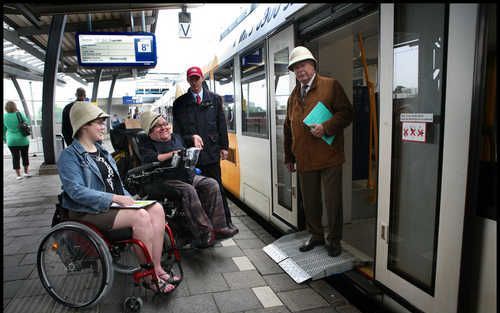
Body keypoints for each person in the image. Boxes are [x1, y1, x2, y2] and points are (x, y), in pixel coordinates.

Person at [57, 101, 179, 293]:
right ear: (83, 125)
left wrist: (132, 200)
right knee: (141, 217)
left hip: (112, 206)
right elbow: (76, 191)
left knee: (156, 208)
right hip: (87, 211)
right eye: (98, 122)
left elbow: (118, 185)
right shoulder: (69, 156)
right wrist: (115, 198)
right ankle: (148, 276)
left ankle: (157, 268)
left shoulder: (102, 151)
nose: (103, 126)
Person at [284, 46, 354, 257]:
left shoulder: (330, 86)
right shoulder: (293, 96)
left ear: (313, 65)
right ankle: (316, 235)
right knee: (310, 202)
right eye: (296, 68)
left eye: (303, 65)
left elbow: (347, 113)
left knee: (333, 201)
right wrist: (289, 156)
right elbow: (287, 127)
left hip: (329, 156)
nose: (300, 70)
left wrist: (326, 127)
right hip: (304, 158)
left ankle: (334, 239)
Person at [139, 111, 237, 248]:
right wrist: (173, 154)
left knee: (211, 184)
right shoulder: (146, 143)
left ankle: (219, 227)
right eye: (158, 126)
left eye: (165, 124)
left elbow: (188, 138)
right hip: (165, 179)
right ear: (150, 131)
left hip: (186, 175)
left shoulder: (176, 137)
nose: (164, 128)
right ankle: (203, 233)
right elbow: (151, 158)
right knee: (188, 190)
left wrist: (194, 138)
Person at [172, 66, 238, 232]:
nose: (194, 82)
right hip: (191, 157)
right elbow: (177, 134)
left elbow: (221, 125)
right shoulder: (179, 104)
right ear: (188, 80)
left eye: (197, 78)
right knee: (197, 191)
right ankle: (204, 228)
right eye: (191, 79)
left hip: (211, 153)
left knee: (218, 187)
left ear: (202, 79)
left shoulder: (214, 100)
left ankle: (225, 224)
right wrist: (190, 138)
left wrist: (224, 147)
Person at [3, 101, 32, 180]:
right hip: (23, 139)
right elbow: (27, 122)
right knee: (25, 156)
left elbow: (4, 129)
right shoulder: (20, 114)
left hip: (11, 141)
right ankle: (26, 173)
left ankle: (18, 175)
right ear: (15, 106)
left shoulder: (4, 116)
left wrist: (5, 139)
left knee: (15, 157)